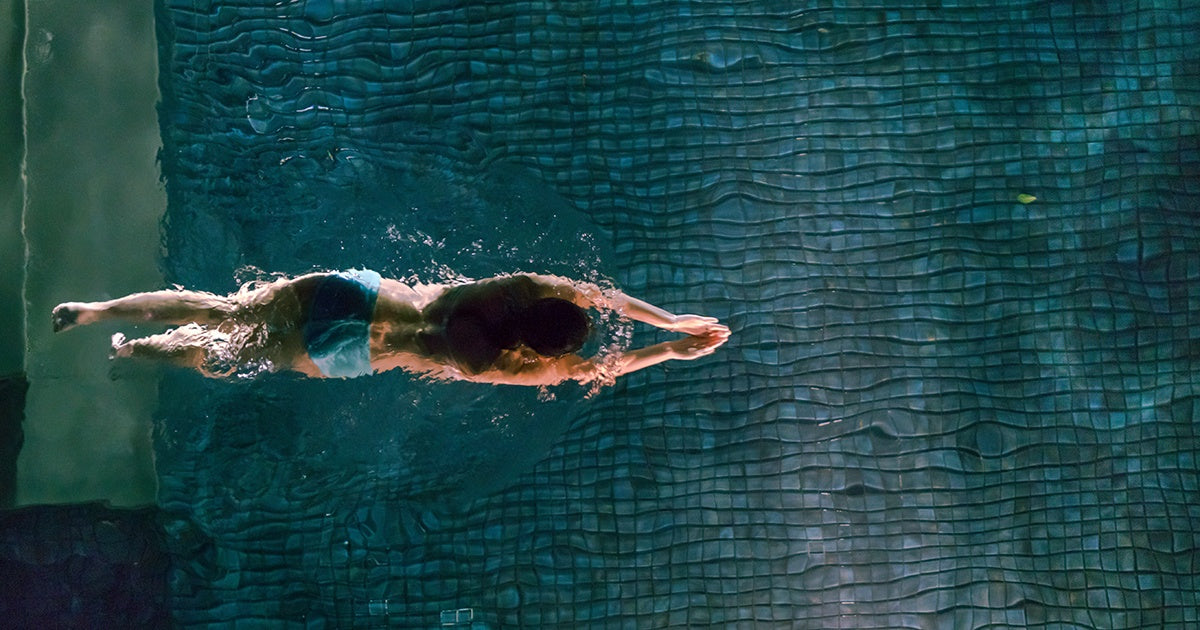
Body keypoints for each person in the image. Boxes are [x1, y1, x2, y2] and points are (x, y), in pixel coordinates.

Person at [51, 271, 730, 385]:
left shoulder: (519, 291)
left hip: (361, 295)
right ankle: (134, 349)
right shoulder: (521, 365)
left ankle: (99, 312)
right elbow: (604, 367)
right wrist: (671, 350)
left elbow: (599, 295)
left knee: (224, 309)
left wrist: (670, 317)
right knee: (228, 353)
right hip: (343, 352)